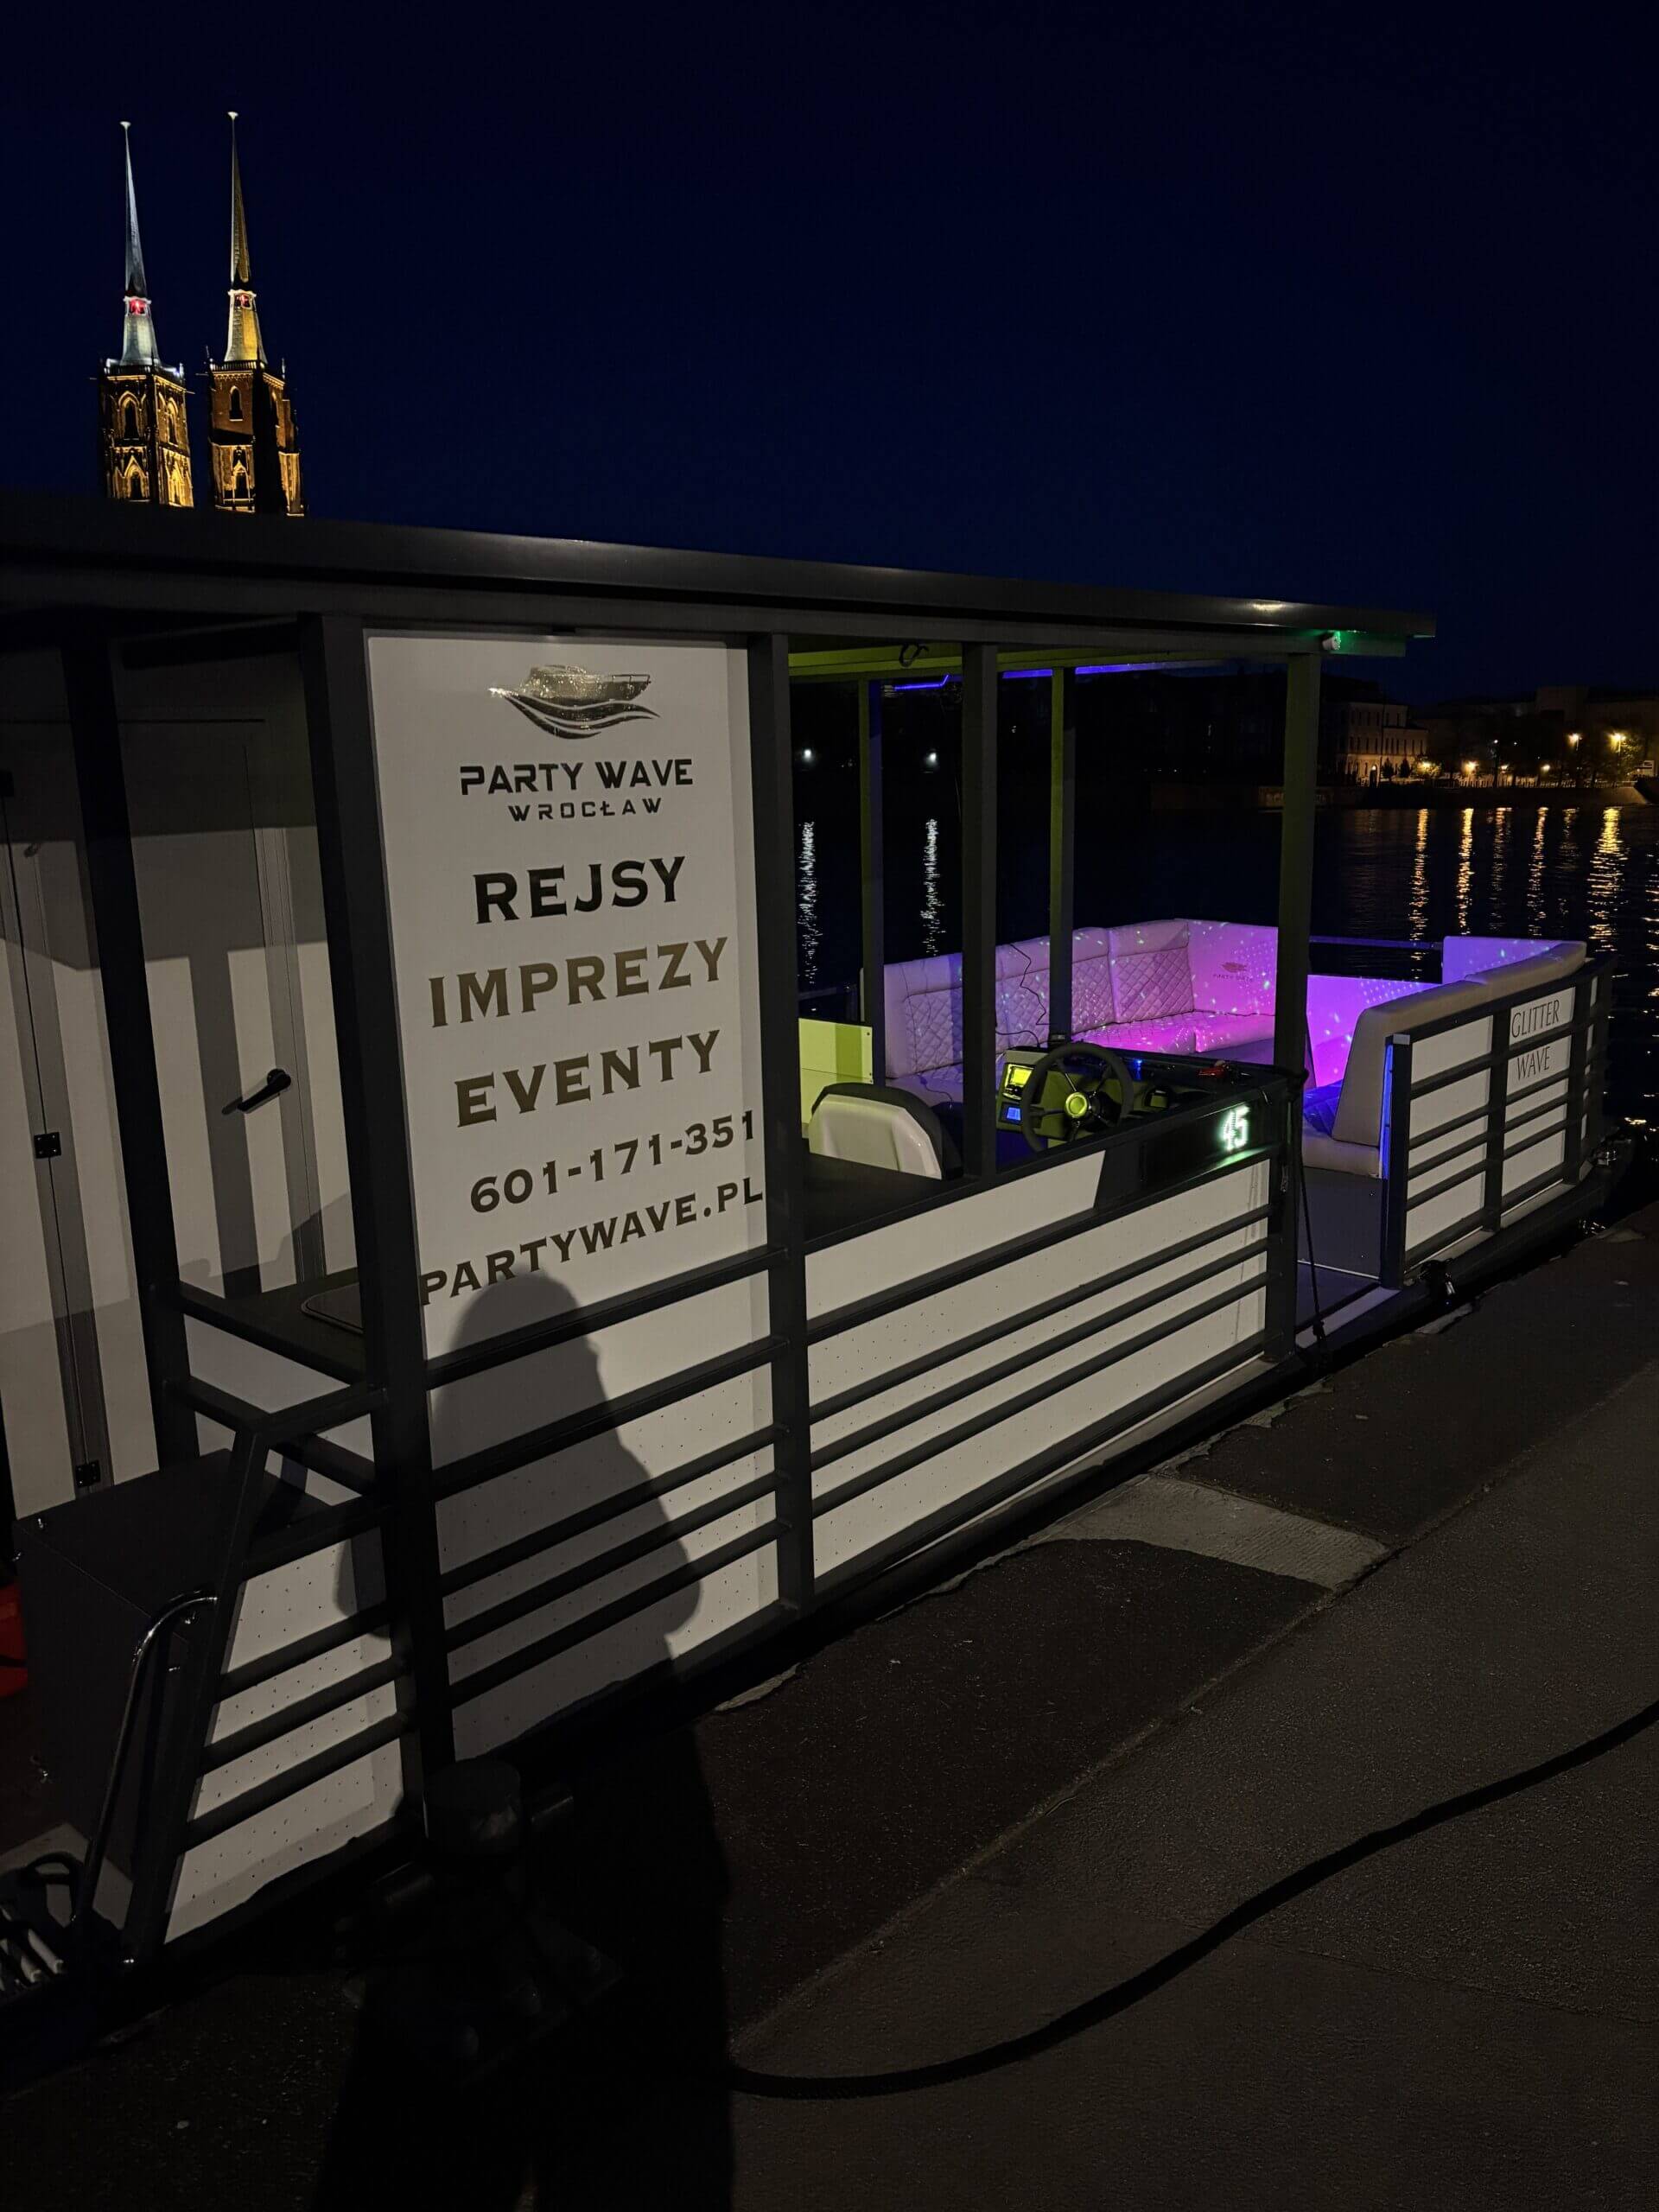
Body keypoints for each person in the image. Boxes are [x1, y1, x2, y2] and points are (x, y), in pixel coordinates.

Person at [314, 1274, 734, 2208]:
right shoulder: (601, 1450)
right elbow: (681, 1595)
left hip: (472, 1722)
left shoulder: (421, 1440)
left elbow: (357, 1599)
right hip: (579, 1735)